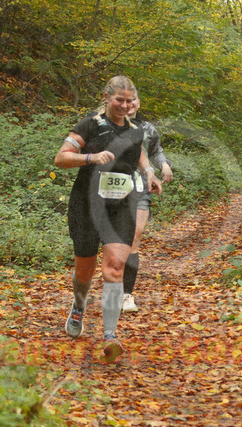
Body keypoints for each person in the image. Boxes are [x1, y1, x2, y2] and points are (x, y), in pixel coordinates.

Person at [54, 76, 162, 363]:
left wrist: (149, 172)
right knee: (85, 271)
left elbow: (138, 153)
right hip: (87, 205)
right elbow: (61, 158)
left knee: (114, 267)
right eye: (119, 100)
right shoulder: (90, 124)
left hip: (121, 205)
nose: (125, 106)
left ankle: (110, 336)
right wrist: (90, 158)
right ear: (106, 97)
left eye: (129, 101)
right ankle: (79, 306)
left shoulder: (135, 130)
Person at [122, 93, 173, 313]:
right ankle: (112, 282)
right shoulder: (107, 125)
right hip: (112, 189)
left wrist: (164, 165)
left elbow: (156, 152)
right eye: (125, 100)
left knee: (134, 237)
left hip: (141, 189)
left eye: (133, 99)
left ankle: (126, 295)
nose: (129, 104)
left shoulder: (148, 129)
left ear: (139, 103)